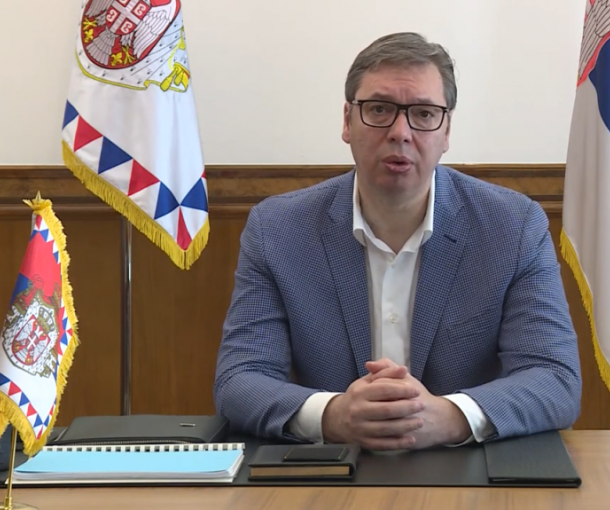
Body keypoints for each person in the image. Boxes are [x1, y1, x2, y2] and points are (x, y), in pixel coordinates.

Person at [214, 32, 581, 450]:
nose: (400, 132)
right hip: (331, 468)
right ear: (347, 121)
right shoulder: (278, 229)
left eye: (423, 113)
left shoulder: (512, 227)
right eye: (379, 109)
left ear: (446, 131)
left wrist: (449, 417)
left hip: (467, 469)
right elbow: (239, 380)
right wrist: (333, 415)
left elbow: (555, 378)